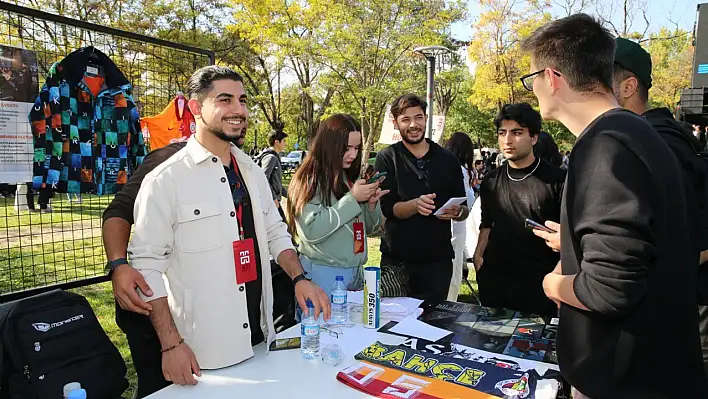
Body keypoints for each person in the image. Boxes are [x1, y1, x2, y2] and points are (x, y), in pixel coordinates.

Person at [103, 66, 330, 397]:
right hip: (201, 350)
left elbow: (275, 232)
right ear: (196, 108)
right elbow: (148, 265)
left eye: (242, 100)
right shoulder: (166, 179)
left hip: (257, 336)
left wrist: (299, 278)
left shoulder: (251, 171)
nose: (238, 110)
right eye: (224, 100)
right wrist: (170, 345)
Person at [521, 13, 707, 397]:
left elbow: (611, 290)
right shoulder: (634, 134)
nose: (533, 89)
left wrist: (553, 283)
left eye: (532, 79)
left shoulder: (606, 147)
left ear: (552, 78)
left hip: (625, 378)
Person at [611, 36, 708, 380]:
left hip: (678, 307)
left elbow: (682, 240)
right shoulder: (658, 136)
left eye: (596, 80)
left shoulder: (654, 144)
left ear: (627, 86)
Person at [472, 104, 565, 317]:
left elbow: (568, 233)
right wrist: (479, 255)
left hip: (538, 283)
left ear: (534, 137)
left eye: (517, 133)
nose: (507, 140)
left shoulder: (558, 180)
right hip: (495, 280)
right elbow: (487, 223)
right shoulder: (491, 180)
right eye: (502, 133)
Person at [375, 94, 469, 302]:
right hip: (396, 260)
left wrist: (457, 212)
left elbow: (463, 209)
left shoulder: (448, 159)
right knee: (393, 325)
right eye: (405, 119)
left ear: (426, 119)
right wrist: (415, 205)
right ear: (396, 123)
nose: (413, 125)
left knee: (433, 326)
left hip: (437, 261)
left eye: (418, 118)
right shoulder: (386, 158)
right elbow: (388, 208)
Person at [287, 114, 386, 298]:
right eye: (346, 148)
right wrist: (352, 199)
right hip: (323, 275)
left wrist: (371, 206)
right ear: (330, 145)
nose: (353, 154)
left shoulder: (347, 176)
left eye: (357, 148)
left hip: (355, 272)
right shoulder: (309, 179)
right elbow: (311, 230)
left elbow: (370, 228)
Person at [444, 132, 476, 301]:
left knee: (454, 270)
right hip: (455, 226)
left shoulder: (453, 168)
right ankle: (450, 302)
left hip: (455, 226)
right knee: (453, 271)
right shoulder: (460, 170)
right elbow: (467, 200)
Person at [257, 130, 288, 215]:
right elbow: (263, 179)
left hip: (273, 202)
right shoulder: (271, 158)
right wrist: (273, 198)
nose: (286, 144)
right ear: (277, 142)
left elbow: (277, 184)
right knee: (283, 226)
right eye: (284, 141)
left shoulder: (274, 157)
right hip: (270, 202)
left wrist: (290, 196)